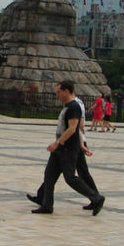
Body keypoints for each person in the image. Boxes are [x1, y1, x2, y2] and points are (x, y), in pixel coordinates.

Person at [26, 80, 105, 215]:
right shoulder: (68, 106)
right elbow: (77, 130)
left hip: (67, 149)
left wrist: (57, 143)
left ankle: (96, 198)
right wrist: (81, 145)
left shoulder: (74, 106)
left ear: (67, 91)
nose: (57, 94)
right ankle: (47, 205)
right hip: (60, 148)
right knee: (49, 175)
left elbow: (73, 128)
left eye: (59, 91)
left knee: (70, 178)